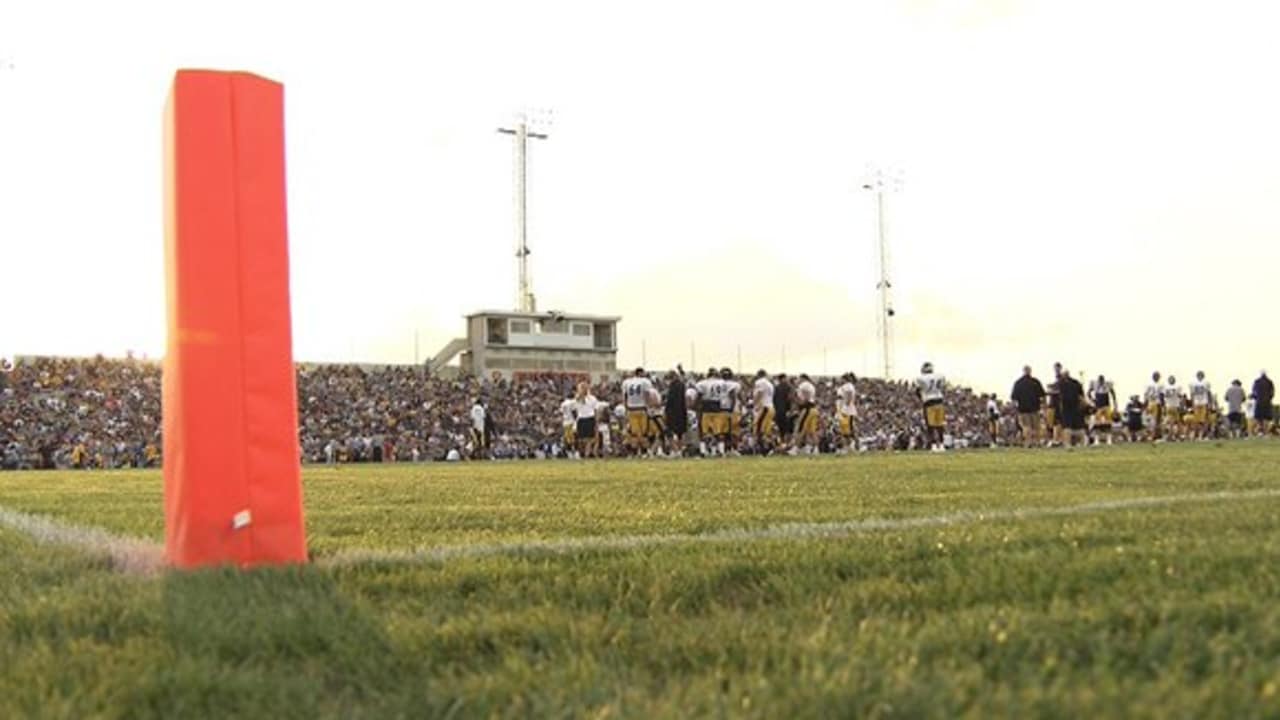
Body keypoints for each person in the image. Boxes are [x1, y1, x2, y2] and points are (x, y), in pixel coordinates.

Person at [621, 367, 655, 455]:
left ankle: (635, 452)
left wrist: (626, 408)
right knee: (643, 432)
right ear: (640, 373)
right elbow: (646, 394)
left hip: (631, 409)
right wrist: (649, 407)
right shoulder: (645, 381)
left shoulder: (627, 382)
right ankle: (644, 451)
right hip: (642, 408)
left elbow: (625, 396)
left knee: (635, 432)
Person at [695, 369, 729, 456]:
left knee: (704, 431)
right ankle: (721, 451)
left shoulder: (702, 383)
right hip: (718, 407)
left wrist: (696, 406)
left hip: (706, 407)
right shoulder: (722, 383)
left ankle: (703, 452)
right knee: (719, 432)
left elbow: (699, 396)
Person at [1010, 365, 1046, 448]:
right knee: (1036, 426)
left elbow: (1014, 398)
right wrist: (1043, 406)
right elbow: (1042, 395)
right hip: (1035, 408)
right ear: (1030, 371)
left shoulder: (1018, 383)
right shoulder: (1035, 382)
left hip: (1023, 409)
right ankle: (1037, 442)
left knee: (1026, 426)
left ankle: (1028, 442)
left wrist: (1014, 409)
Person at [915, 362, 946, 452]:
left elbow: (917, 391)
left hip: (929, 402)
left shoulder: (920, 378)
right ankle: (941, 444)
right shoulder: (940, 376)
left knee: (930, 425)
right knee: (940, 425)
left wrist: (921, 398)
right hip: (939, 400)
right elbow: (942, 387)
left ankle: (933, 445)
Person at [1057, 369, 1087, 447]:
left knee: (1067, 427)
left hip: (1066, 408)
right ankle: (1082, 443)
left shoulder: (1060, 383)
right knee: (1079, 427)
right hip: (1076, 408)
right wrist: (1083, 406)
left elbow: (1058, 396)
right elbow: (1081, 396)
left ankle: (1067, 444)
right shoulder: (1076, 383)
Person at [752, 370, 777, 455]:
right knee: (765, 431)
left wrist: (754, 404)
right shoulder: (770, 384)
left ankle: (766, 449)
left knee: (758, 430)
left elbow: (759, 393)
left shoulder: (760, 382)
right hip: (770, 407)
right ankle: (771, 448)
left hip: (764, 408)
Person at [794, 374, 819, 454]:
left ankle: (796, 448)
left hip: (807, 408)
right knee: (811, 431)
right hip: (813, 408)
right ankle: (815, 449)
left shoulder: (804, 385)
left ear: (803, 378)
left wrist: (803, 402)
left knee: (800, 428)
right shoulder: (811, 385)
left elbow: (806, 395)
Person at [664, 368, 688, 453]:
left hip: (672, 411)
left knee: (669, 432)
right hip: (682, 410)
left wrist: (666, 410)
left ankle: (675, 450)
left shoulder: (672, 386)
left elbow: (670, 400)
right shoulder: (682, 385)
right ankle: (681, 449)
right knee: (680, 433)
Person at [1088, 374, 1117, 445]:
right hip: (1098, 406)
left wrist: (1115, 403)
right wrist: (1092, 400)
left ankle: (1109, 439)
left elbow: (1112, 393)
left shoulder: (1107, 384)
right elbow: (1088, 392)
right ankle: (1097, 439)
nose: (1101, 382)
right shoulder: (1094, 384)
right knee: (1097, 423)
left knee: (1108, 423)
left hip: (1106, 405)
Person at [573, 382, 599, 458]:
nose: (584, 389)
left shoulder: (593, 398)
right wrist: (580, 391)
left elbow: (596, 410)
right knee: (581, 439)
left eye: (585, 387)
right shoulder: (578, 397)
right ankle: (581, 452)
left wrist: (596, 421)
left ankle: (586, 454)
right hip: (581, 418)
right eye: (582, 387)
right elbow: (580, 399)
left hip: (590, 418)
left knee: (589, 438)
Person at [835, 373, 858, 454]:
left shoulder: (848, 386)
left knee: (848, 429)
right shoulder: (844, 387)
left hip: (847, 410)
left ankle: (852, 446)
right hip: (842, 410)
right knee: (843, 430)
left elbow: (849, 395)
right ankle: (847, 447)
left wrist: (846, 406)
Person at [1188, 371, 1212, 440]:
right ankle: (1198, 435)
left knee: (1203, 420)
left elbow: (1208, 393)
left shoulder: (1206, 383)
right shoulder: (1193, 383)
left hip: (1203, 402)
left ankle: (1202, 435)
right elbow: (1192, 394)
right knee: (1197, 421)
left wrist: (1209, 403)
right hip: (1198, 403)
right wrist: (1192, 403)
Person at [773, 373, 794, 449]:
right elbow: (790, 398)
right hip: (785, 411)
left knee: (781, 430)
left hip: (778, 411)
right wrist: (790, 410)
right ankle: (787, 446)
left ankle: (782, 445)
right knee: (787, 430)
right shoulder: (789, 387)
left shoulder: (776, 388)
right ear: (784, 378)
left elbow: (774, 400)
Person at [1251, 371, 1274, 436]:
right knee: (1266, 418)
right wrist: (1269, 399)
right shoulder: (1270, 382)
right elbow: (1272, 393)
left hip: (1259, 402)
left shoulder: (1257, 382)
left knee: (1258, 418)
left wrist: (1255, 398)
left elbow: (1254, 392)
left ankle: (1257, 432)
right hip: (1267, 402)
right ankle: (1266, 432)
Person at [1163, 376, 1184, 441]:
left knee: (1171, 422)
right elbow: (1180, 396)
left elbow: (1164, 396)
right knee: (1177, 422)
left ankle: (1173, 435)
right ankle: (1175, 435)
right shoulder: (1177, 387)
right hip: (1175, 405)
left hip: (1168, 406)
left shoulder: (1165, 388)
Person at [1144, 372, 1164, 441]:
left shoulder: (1148, 385)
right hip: (1156, 403)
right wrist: (1163, 405)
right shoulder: (1160, 385)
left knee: (1150, 420)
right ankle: (1154, 436)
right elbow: (1161, 395)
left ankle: (1151, 435)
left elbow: (1145, 395)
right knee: (1156, 421)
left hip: (1150, 403)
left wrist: (1145, 405)